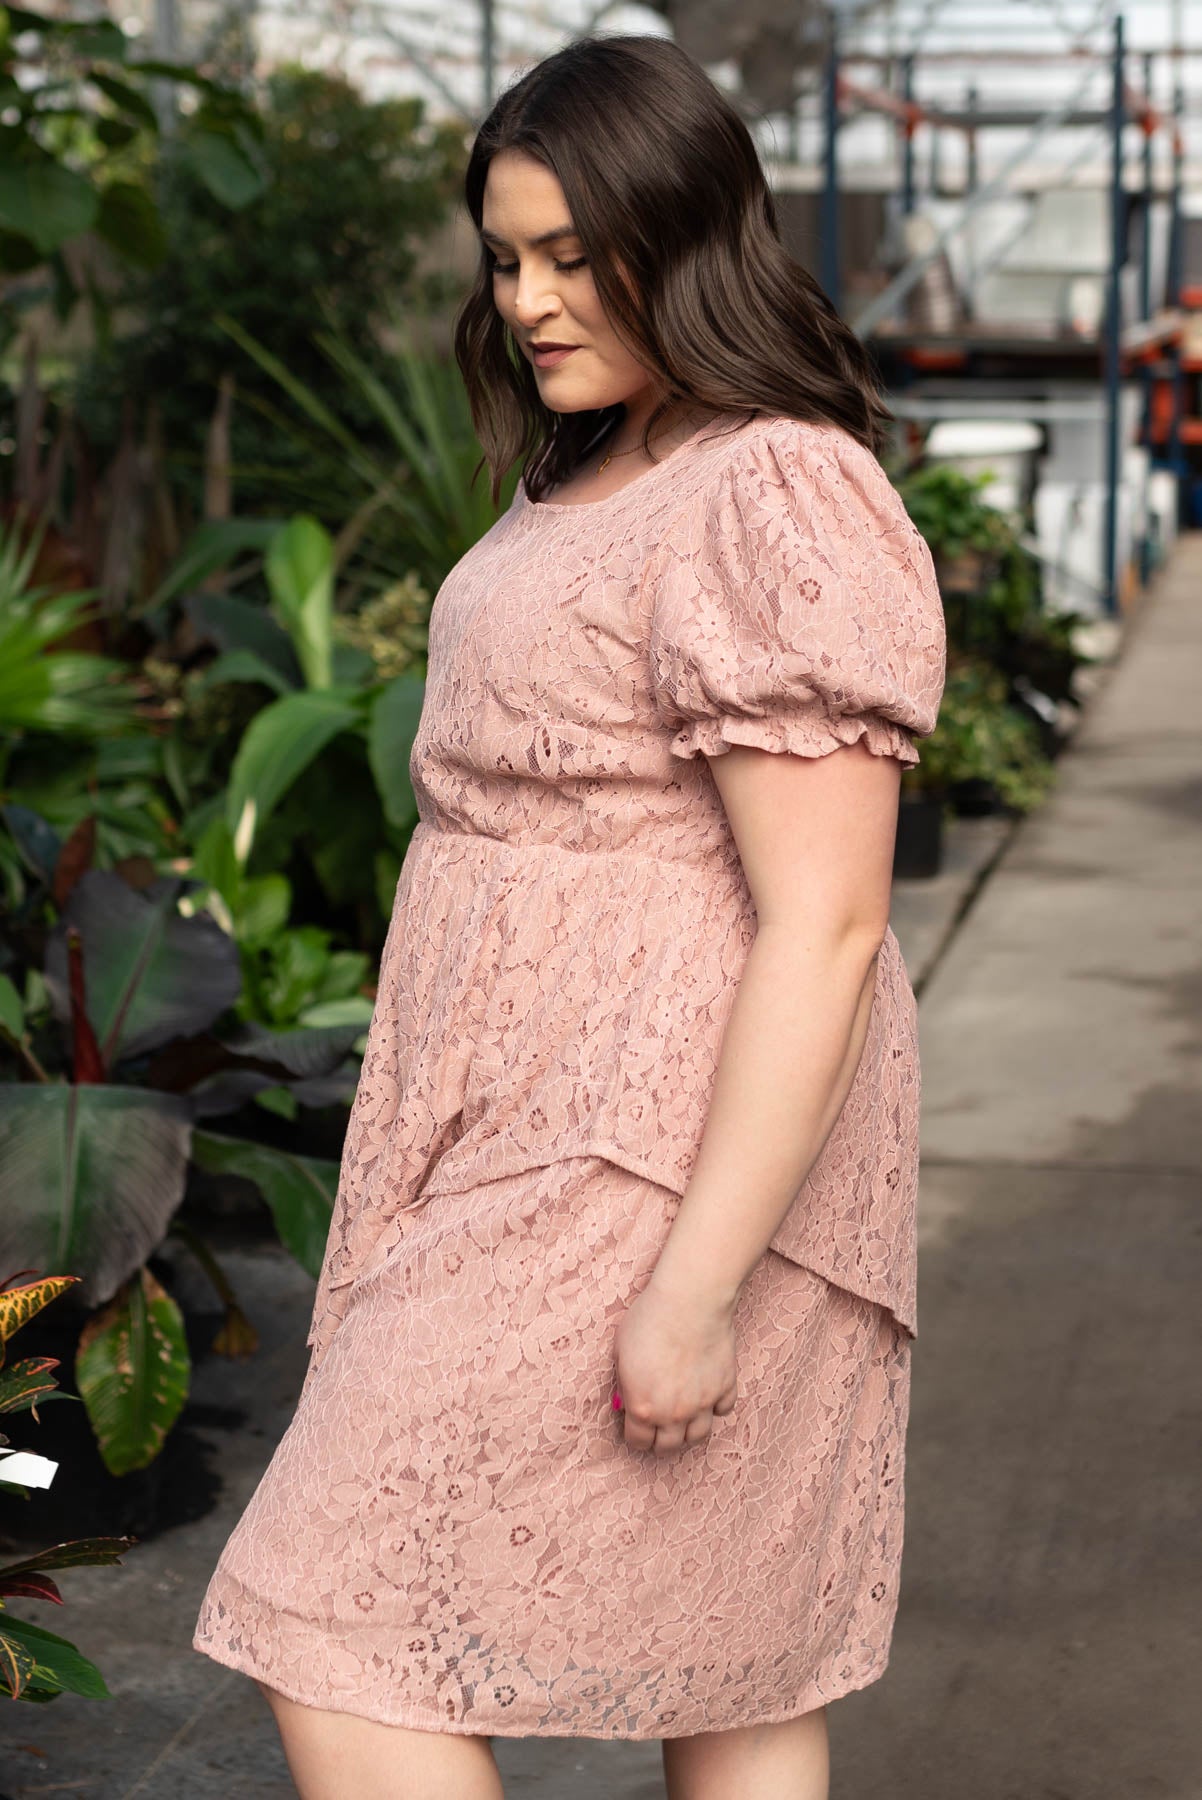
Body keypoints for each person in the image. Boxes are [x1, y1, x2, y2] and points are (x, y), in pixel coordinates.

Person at [193, 31, 947, 1800]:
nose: (527, 300)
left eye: (567, 255)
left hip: (650, 1143)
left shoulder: (767, 480)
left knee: (333, 1609)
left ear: (681, 238)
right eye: (504, 258)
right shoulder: (597, 465)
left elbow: (827, 923)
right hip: (519, 1112)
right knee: (732, 1649)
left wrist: (697, 1283)